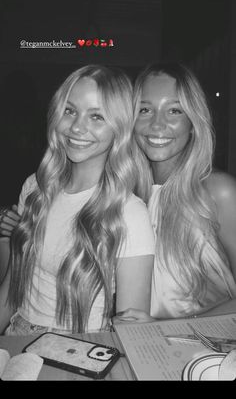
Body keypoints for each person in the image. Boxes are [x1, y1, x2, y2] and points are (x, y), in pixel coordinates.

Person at [0, 64, 154, 335]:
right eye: (70, 111)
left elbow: (131, 330)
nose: (77, 127)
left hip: (77, 349)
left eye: (97, 117)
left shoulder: (130, 213)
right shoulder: (35, 187)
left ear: (119, 128)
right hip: (16, 335)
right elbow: (10, 293)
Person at [115, 61, 236, 324]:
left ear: (193, 122)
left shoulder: (218, 192)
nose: (157, 125)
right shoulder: (125, 195)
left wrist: (165, 327)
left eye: (174, 111)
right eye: (145, 109)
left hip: (207, 354)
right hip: (138, 348)